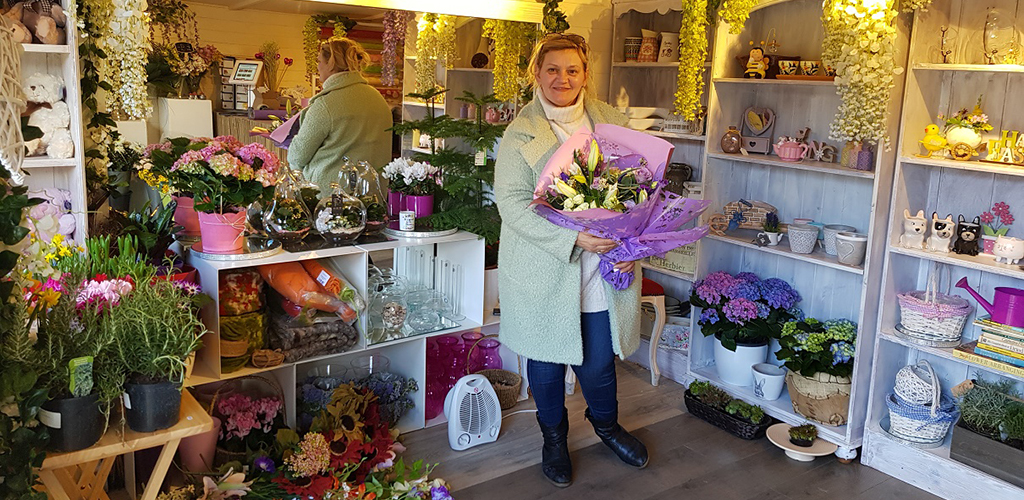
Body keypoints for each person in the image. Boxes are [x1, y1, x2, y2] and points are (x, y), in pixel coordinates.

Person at [493, 33, 647, 488]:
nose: (563, 78)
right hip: (546, 264)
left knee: (599, 360)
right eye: (553, 69)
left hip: (604, 265)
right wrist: (575, 237)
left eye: (572, 70)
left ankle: (606, 426)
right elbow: (513, 204)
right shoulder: (519, 132)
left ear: (585, 74)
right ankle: (554, 438)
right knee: (546, 360)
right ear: (537, 74)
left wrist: (627, 242)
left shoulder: (611, 122)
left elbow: (638, 189)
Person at [287, 38, 393, 192]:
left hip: (330, 197)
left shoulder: (325, 104)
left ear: (330, 64)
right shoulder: (378, 100)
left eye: (319, 61)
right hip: (373, 192)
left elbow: (298, 156)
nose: (317, 67)